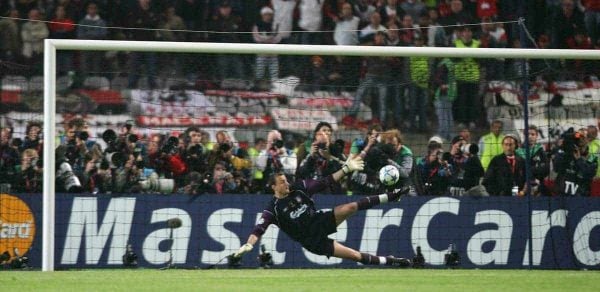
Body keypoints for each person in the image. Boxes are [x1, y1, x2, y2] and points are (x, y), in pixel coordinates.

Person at [230, 156, 411, 267]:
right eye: (282, 182)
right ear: (273, 187)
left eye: (286, 180)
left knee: (351, 206)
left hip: (319, 221)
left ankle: (391, 196)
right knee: (355, 256)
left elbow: (326, 181)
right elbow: (259, 229)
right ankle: (392, 261)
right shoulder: (273, 209)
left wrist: (346, 169)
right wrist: (249, 244)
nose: (287, 183)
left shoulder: (299, 188)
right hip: (312, 241)